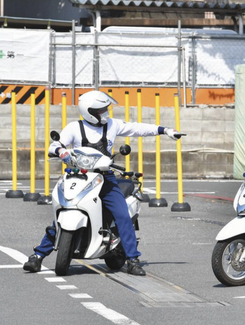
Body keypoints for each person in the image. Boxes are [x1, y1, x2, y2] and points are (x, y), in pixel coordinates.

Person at [23, 90, 182, 276]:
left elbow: (136, 128)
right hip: (78, 176)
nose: (105, 113)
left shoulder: (112, 125)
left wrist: (164, 130)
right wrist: (61, 152)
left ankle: (132, 260)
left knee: (122, 216)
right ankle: (38, 256)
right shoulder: (75, 127)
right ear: (89, 111)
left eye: (106, 109)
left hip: (105, 178)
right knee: (60, 216)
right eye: (101, 110)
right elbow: (54, 145)